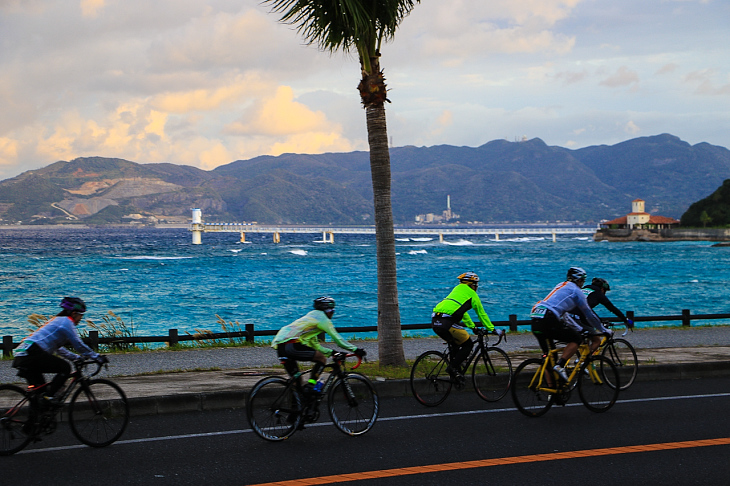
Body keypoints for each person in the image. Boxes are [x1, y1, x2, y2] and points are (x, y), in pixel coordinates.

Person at [12, 297, 107, 403]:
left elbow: (59, 349)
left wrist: (75, 357)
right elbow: (78, 344)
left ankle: (37, 416)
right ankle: (50, 397)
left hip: (23, 354)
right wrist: (97, 357)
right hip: (32, 352)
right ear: (74, 313)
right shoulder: (66, 322)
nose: (81, 319)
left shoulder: (57, 320)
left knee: (39, 395)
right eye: (81, 315)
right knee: (65, 368)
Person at [271, 297, 366, 396]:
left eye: (333, 310)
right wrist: (355, 349)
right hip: (291, 344)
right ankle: (311, 384)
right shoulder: (322, 319)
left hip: (280, 347)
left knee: (296, 382)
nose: (332, 313)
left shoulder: (311, 318)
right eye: (330, 310)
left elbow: (314, 344)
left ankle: (297, 409)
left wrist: (331, 352)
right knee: (321, 358)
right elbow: (338, 339)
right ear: (324, 310)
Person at [530, 268, 610, 382]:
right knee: (576, 339)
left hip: (536, 317)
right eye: (583, 280)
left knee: (549, 357)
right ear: (578, 280)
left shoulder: (561, 285)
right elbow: (589, 314)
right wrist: (603, 329)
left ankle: (552, 392)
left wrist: (579, 328)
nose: (583, 283)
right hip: (549, 318)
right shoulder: (576, 291)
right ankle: (561, 365)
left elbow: (565, 315)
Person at [431, 272, 504, 381]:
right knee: (468, 344)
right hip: (448, 321)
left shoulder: (457, 289)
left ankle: (455, 374)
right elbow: (481, 314)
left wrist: (473, 327)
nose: (476, 287)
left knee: (455, 344)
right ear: (471, 284)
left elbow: (462, 313)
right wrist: (492, 329)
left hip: (435, 320)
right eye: (476, 285)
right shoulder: (472, 294)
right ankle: (452, 368)